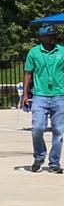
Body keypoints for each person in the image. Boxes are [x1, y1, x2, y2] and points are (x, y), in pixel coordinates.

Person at [22, 25, 64, 174]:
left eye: (55, 35)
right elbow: (28, 74)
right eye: (50, 36)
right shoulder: (34, 52)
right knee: (37, 129)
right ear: (42, 37)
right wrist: (25, 95)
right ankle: (39, 156)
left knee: (59, 131)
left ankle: (54, 162)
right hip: (40, 96)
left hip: (59, 95)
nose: (53, 38)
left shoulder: (62, 51)